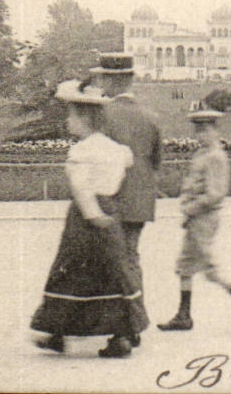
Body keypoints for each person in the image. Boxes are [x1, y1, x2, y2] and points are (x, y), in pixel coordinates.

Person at [31, 80, 148, 358]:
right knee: (113, 272)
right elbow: (126, 168)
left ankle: (58, 331)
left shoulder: (81, 151)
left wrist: (92, 214)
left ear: (85, 118)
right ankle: (121, 333)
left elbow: (82, 188)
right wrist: (105, 212)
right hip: (111, 211)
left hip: (86, 218)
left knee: (71, 271)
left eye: (71, 115)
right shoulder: (116, 150)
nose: (68, 121)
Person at [156, 109, 231, 333]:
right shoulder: (203, 154)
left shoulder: (215, 157)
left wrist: (192, 208)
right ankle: (184, 315)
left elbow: (216, 193)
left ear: (215, 131)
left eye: (205, 130)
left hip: (204, 217)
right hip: (195, 217)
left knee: (209, 269)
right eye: (198, 130)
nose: (200, 135)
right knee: (185, 264)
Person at [93, 53, 162, 344]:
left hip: (113, 198)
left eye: (103, 78)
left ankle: (122, 328)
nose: (101, 83)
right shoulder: (151, 116)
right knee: (132, 259)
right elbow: (156, 161)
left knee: (112, 263)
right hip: (141, 201)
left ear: (112, 79)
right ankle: (134, 324)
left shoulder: (103, 115)